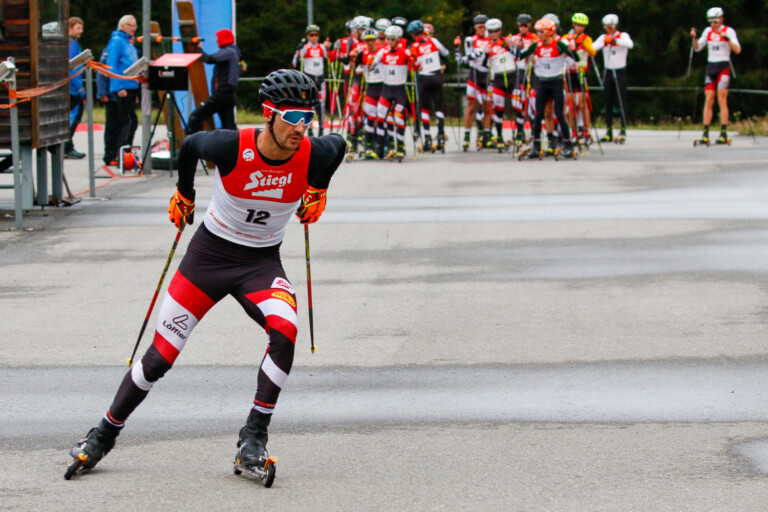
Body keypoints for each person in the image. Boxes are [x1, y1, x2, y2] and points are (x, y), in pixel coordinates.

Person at [67, 69, 345, 479]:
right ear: (268, 113)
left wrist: (318, 187)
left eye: (308, 117)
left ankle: (253, 437)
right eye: (292, 116)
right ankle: (103, 434)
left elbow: (337, 145)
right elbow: (192, 144)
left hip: (261, 264)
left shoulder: (314, 152)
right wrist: (184, 192)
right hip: (207, 260)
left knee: (286, 330)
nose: (301, 128)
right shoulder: (233, 145)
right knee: (161, 356)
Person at [517, 18, 578, 159]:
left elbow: (573, 61)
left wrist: (569, 53)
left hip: (556, 82)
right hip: (542, 83)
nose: (539, 34)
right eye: (537, 31)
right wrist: (522, 51)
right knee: (538, 115)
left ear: (550, 32)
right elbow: (520, 57)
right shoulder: (536, 45)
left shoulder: (559, 44)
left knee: (559, 114)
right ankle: (536, 146)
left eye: (542, 32)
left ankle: (568, 145)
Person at [691, 7, 741, 144]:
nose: (713, 24)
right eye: (711, 22)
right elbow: (697, 48)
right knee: (709, 99)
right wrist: (694, 38)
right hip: (711, 67)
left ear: (721, 19)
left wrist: (728, 39)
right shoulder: (708, 31)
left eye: (716, 21)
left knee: (722, 98)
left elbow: (737, 49)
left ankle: (723, 133)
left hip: (723, 67)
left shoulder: (728, 31)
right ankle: (705, 133)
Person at [186, 29, 241, 134]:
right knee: (229, 127)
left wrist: (199, 50)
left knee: (195, 117)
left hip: (221, 95)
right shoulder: (232, 51)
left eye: (218, 38)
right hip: (228, 95)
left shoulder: (228, 51)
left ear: (224, 39)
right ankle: (234, 148)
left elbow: (210, 59)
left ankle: (191, 143)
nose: (216, 40)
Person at [408, 19, 450, 152]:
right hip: (437, 76)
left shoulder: (413, 47)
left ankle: (427, 138)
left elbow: (413, 66)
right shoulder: (434, 41)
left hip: (424, 78)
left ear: (413, 34)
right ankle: (441, 134)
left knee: (425, 109)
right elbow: (446, 53)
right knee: (438, 107)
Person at [103, 15, 139, 167]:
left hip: (131, 87)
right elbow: (111, 64)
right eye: (131, 25)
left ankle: (123, 153)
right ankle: (117, 154)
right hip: (122, 88)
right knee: (123, 122)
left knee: (127, 121)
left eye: (135, 25)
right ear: (123, 26)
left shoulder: (128, 43)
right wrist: (118, 87)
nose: (134, 28)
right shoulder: (118, 41)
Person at [592, 14, 634, 143]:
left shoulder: (623, 35)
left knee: (621, 100)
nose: (608, 30)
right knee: (608, 102)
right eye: (606, 27)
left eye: (610, 27)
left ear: (615, 26)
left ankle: (623, 129)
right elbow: (593, 48)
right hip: (608, 71)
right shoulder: (603, 37)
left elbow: (630, 44)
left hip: (620, 70)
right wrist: (606, 41)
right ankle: (608, 130)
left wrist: (615, 41)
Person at [373, 25, 411, 159]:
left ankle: (400, 146)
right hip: (386, 89)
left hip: (399, 89)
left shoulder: (405, 52)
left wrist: (414, 59)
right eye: (388, 38)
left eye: (393, 39)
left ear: (399, 39)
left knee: (399, 118)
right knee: (381, 116)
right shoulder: (382, 52)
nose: (389, 41)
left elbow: (415, 64)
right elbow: (372, 63)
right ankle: (385, 146)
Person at [455, 14, 492, 150]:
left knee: (487, 108)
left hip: (487, 75)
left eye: (484, 27)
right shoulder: (470, 40)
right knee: (471, 107)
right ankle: (466, 136)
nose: (482, 29)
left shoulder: (492, 39)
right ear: (476, 28)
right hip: (474, 74)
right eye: (479, 27)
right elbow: (467, 58)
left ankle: (486, 135)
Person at [292, 25, 332, 137]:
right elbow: (294, 62)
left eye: (316, 35)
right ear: (307, 36)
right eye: (311, 35)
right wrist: (298, 50)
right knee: (310, 105)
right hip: (309, 79)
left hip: (320, 79)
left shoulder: (322, 47)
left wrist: (329, 48)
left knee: (322, 105)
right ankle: (309, 129)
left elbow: (329, 58)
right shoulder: (305, 47)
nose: (314, 37)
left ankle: (321, 129)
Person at [483, 18, 517, 149]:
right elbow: (484, 64)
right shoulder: (488, 45)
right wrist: (487, 55)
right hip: (497, 78)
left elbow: (518, 54)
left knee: (517, 106)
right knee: (499, 110)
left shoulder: (508, 41)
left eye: (496, 31)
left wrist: (508, 46)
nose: (493, 34)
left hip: (512, 75)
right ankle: (499, 136)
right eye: (490, 32)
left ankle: (519, 134)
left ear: (500, 31)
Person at [563, 13, 597, 144]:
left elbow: (592, 52)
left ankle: (586, 131)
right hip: (569, 72)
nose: (580, 28)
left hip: (581, 72)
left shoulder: (586, 38)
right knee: (571, 103)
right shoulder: (566, 37)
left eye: (582, 26)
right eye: (578, 25)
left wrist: (582, 42)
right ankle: (573, 131)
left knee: (583, 103)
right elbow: (563, 50)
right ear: (573, 25)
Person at [510, 14, 538, 146]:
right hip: (518, 71)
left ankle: (534, 131)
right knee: (517, 103)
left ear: (530, 25)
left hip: (532, 71)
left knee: (532, 102)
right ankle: (520, 132)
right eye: (521, 25)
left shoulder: (535, 38)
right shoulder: (514, 39)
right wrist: (516, 47)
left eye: (525, 25)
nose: (523, 28)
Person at [66, 17, 86, 159]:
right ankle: (67, 147)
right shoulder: (72, 44)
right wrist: (79, 87)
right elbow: (72, 67)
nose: (81, 31)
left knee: (72, 116)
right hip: (72, 87)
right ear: (70, 28)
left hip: (71, 85)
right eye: (78, 28)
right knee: (73, 117)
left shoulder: (72, 43)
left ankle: (67, 146)